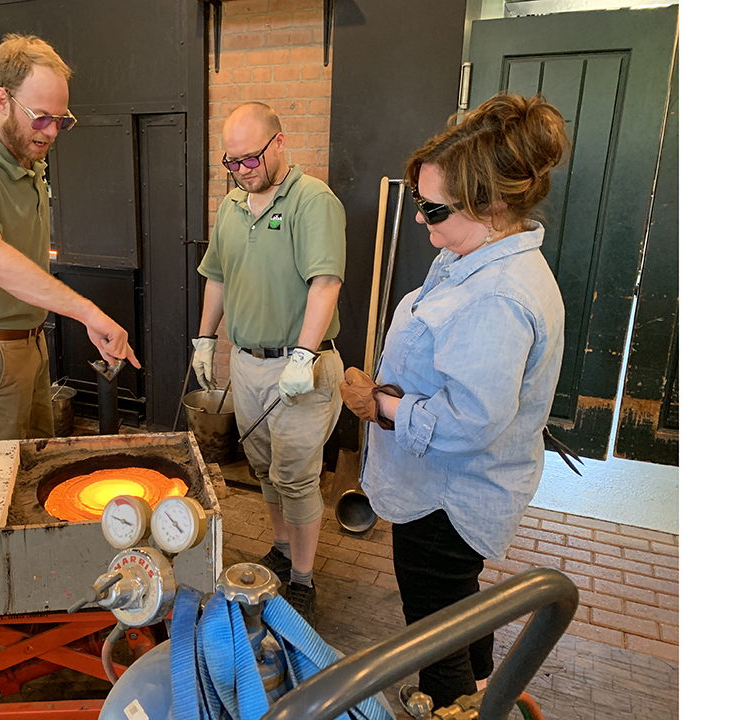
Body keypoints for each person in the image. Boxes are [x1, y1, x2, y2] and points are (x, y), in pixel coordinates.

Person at [339, 93, 569, 709]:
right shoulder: (466, 259)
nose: (420, 219)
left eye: (432, 207)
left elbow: (469, 420)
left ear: (491, 204)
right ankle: (485, 698)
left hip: (446, 502)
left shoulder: (498, 294)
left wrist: (378, 407)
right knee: (464, 611)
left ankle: (451, 706)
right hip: (445, 489)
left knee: (434, 632)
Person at [0, 34, 139, 442]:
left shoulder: (26, 159)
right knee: (0, 481)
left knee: (39, 461)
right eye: (40, 117)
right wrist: (87, 313)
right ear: (2, 100)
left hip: (30, 343)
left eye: (62, 120)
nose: (52, 131)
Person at [193, 102, 346, 623]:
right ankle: (281, 548)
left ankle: (302, 580)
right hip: (248, 365)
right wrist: (204, 339)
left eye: (250, 159)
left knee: (297, 477)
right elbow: (216, 276)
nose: (242, 171)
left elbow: (326, 282)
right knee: (263, 469)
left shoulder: (312, 201)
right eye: (231, 163)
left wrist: (304, 354)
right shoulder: (232, 206)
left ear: (280, 142)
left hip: (301, 368)